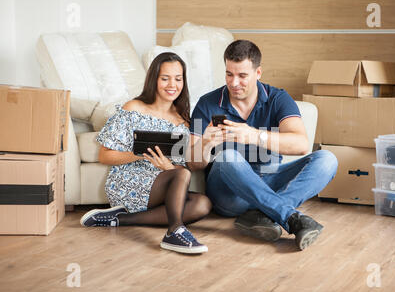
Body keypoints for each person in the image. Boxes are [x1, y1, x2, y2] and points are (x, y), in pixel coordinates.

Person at [186, 40, 338, 251]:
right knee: (228, 156)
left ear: (258, 73)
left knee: (327, 160)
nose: (234, 82)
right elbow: (193, 164)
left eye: (242, 76)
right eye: (229, 74)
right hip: (230, 195)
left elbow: (302, 144)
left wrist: (255, 136)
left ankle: (263, 214)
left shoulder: (278, 99)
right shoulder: (207, 103)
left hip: (270, 180)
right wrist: (204, 143)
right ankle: (289, 216)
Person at [80, 52, 211, 254]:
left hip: (163, 185)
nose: (172, 85)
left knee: (202, 204)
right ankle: (174, 231)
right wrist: (141, 154)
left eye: (178, 79)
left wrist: (169, 168)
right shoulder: (134, 108)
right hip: (129, 183)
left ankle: (119, 219)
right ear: (154, 80)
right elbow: (104, 156)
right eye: (165, 78)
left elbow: (182, 167)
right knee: (182, 174)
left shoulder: (184, 120)